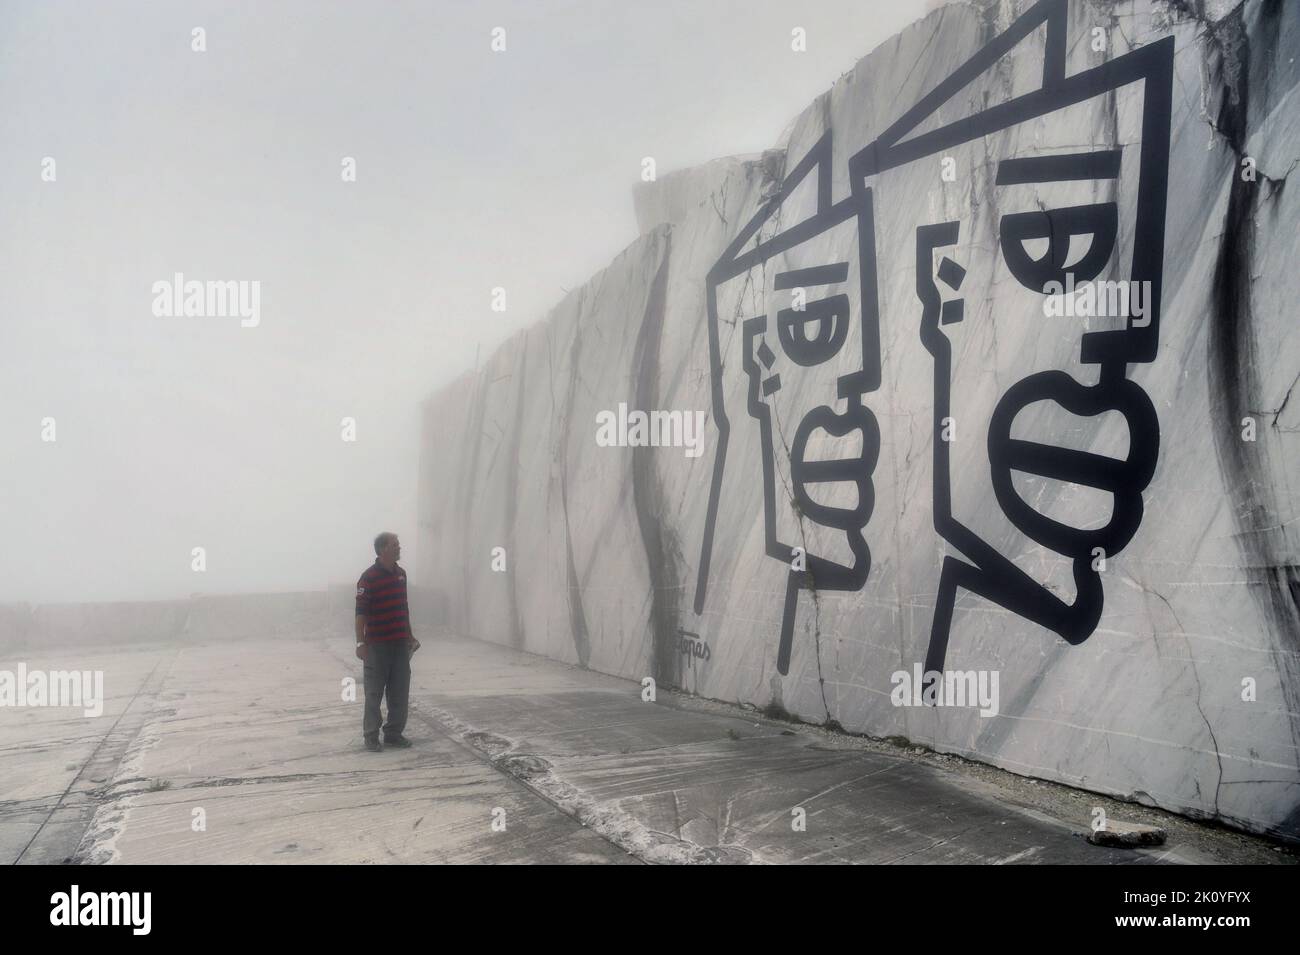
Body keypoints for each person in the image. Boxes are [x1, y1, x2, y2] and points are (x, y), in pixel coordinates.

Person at [355, 532, 420, 751]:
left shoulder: (401, 574)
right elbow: (360, 613)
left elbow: (405, 608)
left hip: (399, 644)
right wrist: (360, 643)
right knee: (374, 692)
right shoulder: (368, 577)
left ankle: (393, 733)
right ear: (383, 549)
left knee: (400, 691)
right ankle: (371, 735)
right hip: (377, 646)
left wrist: (409, 635)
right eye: (395, 545)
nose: (399, 547)